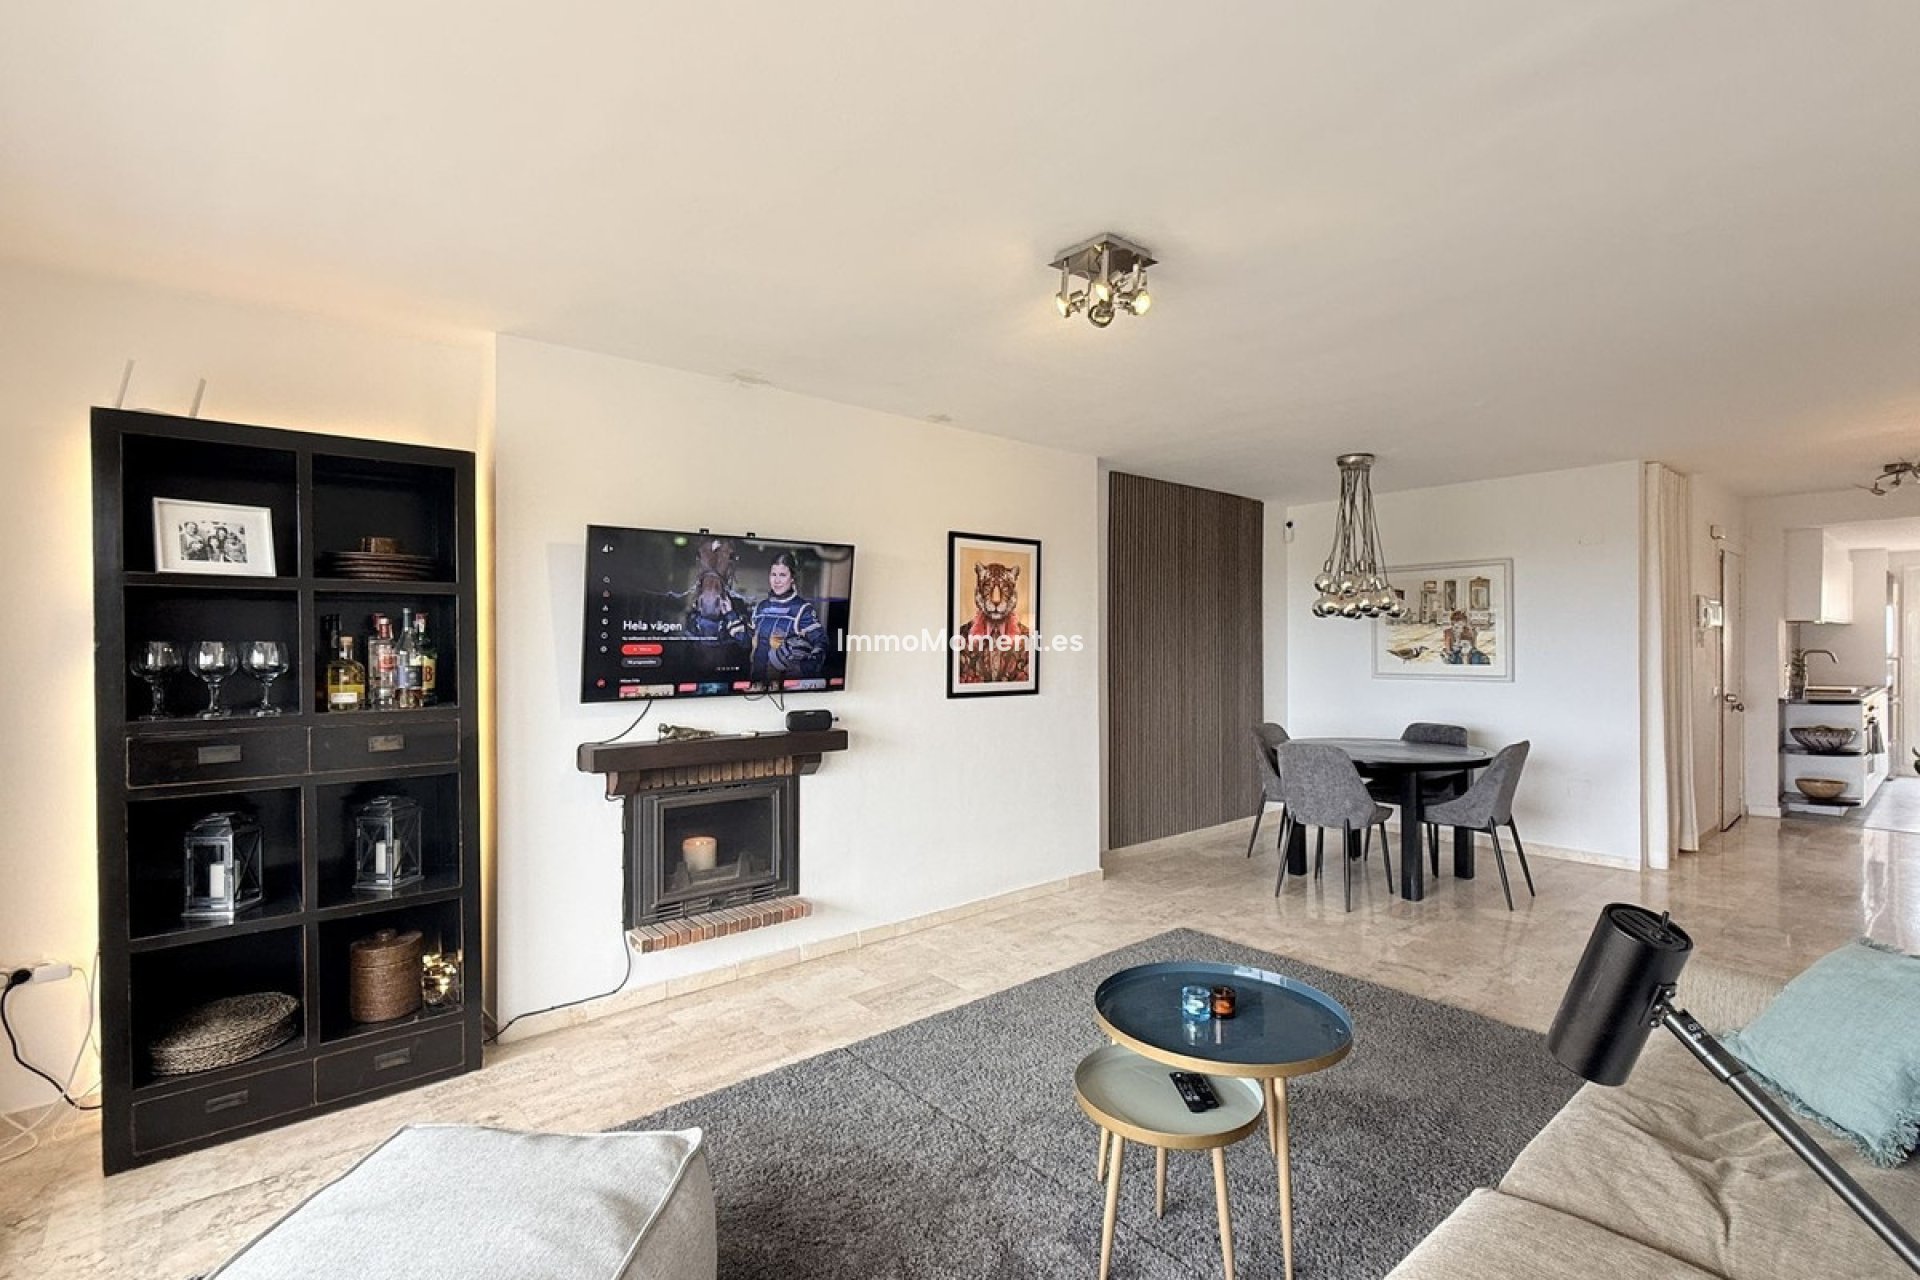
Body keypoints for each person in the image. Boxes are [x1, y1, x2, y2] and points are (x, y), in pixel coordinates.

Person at [732, 551, 826, 684]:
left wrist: (804, 669)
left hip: (785, 688)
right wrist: (730, 615)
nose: (777, 581)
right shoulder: (760, 607)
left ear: (792, 578)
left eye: (782, 575)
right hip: (755, 685)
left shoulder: (803, 609)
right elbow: (747, 643)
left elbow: (821, 643)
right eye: (773, 574)